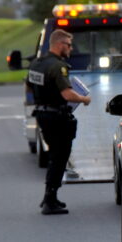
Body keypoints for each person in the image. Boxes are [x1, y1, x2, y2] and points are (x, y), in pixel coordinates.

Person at [27, 29, 91, 215]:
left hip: (43, 115)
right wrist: (84, 99)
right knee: (59, 158)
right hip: (56, 118)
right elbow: (67, 94)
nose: (71, 49)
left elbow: (29, 86)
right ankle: (49, 200)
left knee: (55, 156)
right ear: (60, 44)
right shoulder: (57, 66)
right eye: (69, 45)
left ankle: (50, 197)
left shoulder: (36, 64)